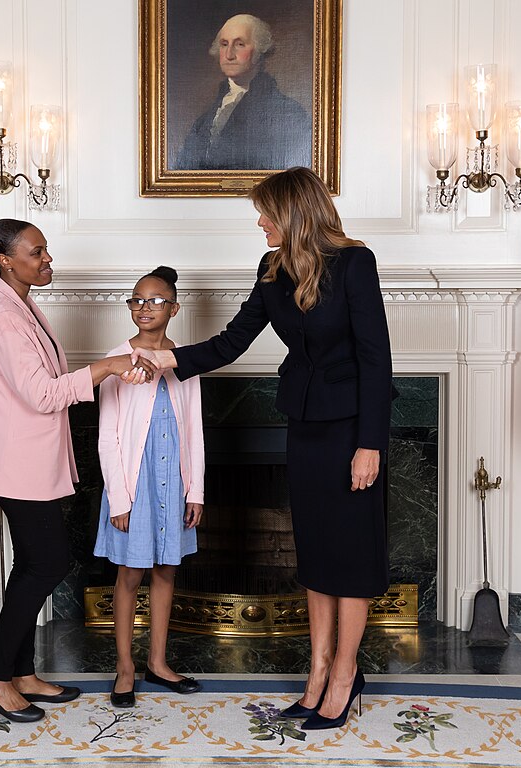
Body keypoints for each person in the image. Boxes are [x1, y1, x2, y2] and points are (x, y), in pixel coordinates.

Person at [133, 167, 392, 731]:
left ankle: (346, 673)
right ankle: (318, 669)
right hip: (304, 425)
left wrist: (371, 443)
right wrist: (168, 359)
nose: (259, 222)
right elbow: (232, 340)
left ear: (294, 213)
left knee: (352, 554)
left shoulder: (354, 263)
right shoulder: (271, 269)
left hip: (352, 430)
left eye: (266, 213)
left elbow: (377, 357)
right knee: (318, 554)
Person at [0, 218, 154, 724]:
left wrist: (104, 369)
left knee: (31, 564)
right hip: (15, 463)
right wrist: (108, 368)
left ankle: (20, 671)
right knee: (47, 564)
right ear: (6, 260)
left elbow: (42, 381)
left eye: (46, 251)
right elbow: (43, 394)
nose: (48, 259)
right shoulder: (3, 317)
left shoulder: (17, 303)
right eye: (37, 252)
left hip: (27, 460)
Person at [93, 266, 205, 708]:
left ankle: (158, 662)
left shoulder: (186, 360)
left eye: (155, 300)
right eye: (136, 299)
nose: (144, 307)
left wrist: (194, 489)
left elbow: (193, 427)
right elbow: (108, 435)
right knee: (129, 574)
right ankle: (125, 667)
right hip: (134, 486)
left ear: (173, 308)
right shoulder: (117, 360)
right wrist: (119, 497)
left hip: (172, 482)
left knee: (165, 571)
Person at [175, 14, 312, 170]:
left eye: (239, 44)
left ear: (260, 50)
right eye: (224, 44)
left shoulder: (289, 113)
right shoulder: (204, 120)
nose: (229, 55)